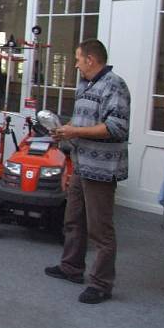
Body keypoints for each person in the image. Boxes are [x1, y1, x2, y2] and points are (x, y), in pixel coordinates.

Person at [45, 39, 130, 304]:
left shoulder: (114, 84)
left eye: (78, 58)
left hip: (102, 169)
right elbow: (82, 123)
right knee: (73, 220)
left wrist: (75, 131)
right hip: (81, 165)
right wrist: (64, 131)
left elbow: (116, 127)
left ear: (91, 60)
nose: (76, 63)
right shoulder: (85, 85)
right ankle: (71, 268)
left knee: (100, 229)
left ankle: (101, 284)